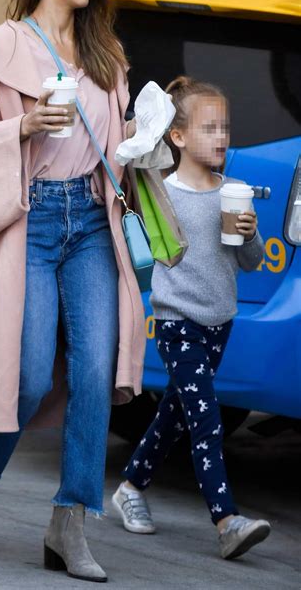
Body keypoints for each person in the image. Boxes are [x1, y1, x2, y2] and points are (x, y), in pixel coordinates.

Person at [0, 0, 145, 583]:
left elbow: (115, 150)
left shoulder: (106, 54)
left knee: (93, 374)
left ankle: (69, 521)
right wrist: (22, 125)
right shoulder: (1, 46)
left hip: (90, 219)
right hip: (32, 220)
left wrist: (142, 138)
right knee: (24, 372)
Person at [112, 76, 271, 560]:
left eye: (225, 128)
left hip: (220, 321)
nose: (221, 137)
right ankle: (227, 521)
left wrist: (248, 235)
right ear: (178, 137)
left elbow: (251, 262)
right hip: (178, 323)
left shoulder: (235, 191)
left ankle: (130, 487)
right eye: (209, 128)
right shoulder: (164, 194)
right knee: (206, 421)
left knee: (175, 416)